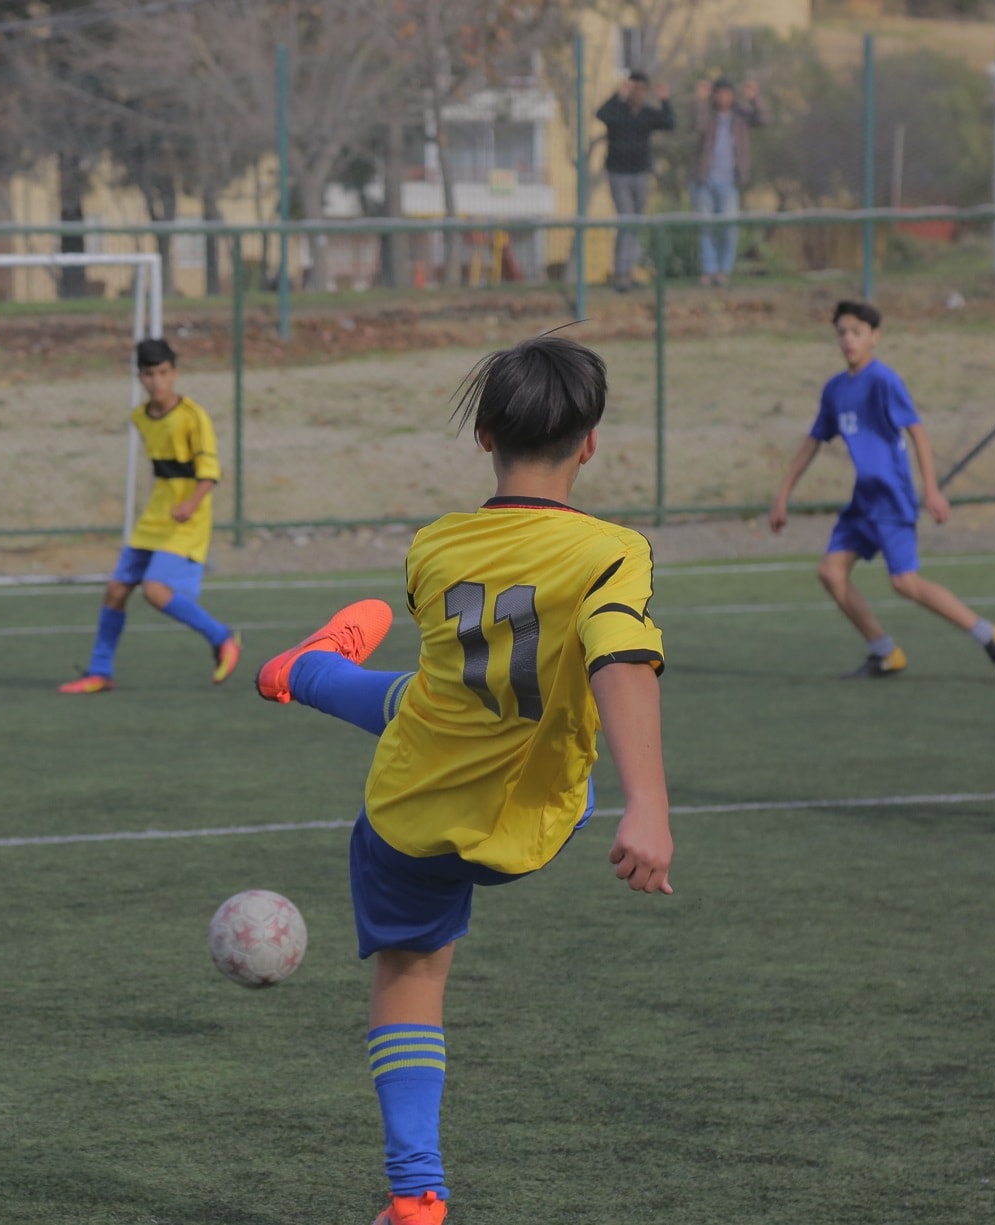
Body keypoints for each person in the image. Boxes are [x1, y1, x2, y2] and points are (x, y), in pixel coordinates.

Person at [252, 335, 674, 1225]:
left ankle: (415, 1196)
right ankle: (306, 669)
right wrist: (647, 805)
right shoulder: (612, 552)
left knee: (410, 964)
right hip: (534, 818)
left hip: (410, 809)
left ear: (482, 436)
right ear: (590, 442)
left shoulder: (433, 549)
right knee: (466, 701)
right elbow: (621, 659)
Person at [769, 300, 995, 680]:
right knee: (832, 573)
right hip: (862, 501)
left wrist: (931, 490)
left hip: (891, 497)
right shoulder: (835, 389)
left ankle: (990, 634)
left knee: (905, 582)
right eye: (842, 333)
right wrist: (783, 494)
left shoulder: (884, 381)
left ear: (875, 337)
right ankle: (885, 652)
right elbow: (814, 440)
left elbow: (917, 431)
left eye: (857, 332)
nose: (848, 340)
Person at [59, 338, 241, 693]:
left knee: (155, 591)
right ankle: (100, 671)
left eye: (162, 373)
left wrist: (190, 503)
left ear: (174, 373)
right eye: (148, 374)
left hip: (189, 515)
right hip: (156, 515)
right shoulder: (140, 417)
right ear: (140, 377)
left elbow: (210, 472)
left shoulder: (193, 416)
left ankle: (222, 638)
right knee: (116, 590)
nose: (156, 381)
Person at [594, 70, 675, 292]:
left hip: (640, 174)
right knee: (627, 220)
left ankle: (628, 271)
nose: (637, 93)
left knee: (635, 223)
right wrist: (618, 95)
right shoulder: (617, 111)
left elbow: (669, 123)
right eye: (633, 88)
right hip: (618, 174)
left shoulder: (647, 113)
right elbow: (600, 114)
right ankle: (620, 272)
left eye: (641, 89)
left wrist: (665, 99)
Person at [690, 76, 768, 287]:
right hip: (704, 180)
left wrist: (754, 99)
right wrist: (700, 100)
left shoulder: (740, 116)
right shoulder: (709, 115)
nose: (723, 97)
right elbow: (697, 125)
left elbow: (763, 119)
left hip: (729, 181)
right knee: (706, 227)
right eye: (719, 93)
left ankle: (724, 271)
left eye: (727, 93)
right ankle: (709, 270)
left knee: (729, 228)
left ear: (732, 96)